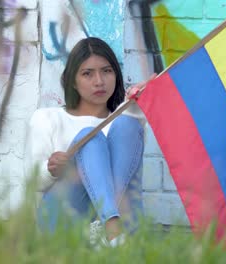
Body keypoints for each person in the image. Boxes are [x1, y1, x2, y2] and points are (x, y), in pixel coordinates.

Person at [24, 37, 155, 247]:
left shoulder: (125, 125)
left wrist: (135, 107)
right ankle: (111, 227)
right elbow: (34, 182)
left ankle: (109, 230)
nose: (99, 81)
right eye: (87, 73)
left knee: (127, 125)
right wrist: (57, 170)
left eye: (106, 71)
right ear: (72, 81)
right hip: (63, 219)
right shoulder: (47, 118)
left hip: (118, 221)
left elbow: (130, 179)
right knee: (90, 137)